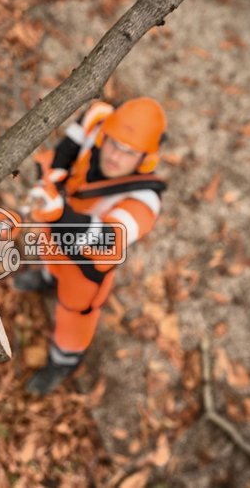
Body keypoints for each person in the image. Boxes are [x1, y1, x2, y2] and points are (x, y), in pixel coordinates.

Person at [14, 97, 168, 395]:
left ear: (144, 159)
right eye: (112, 144)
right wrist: (55, 175)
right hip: (55, 235)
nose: (114, 156)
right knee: (50, 261)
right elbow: (69, 145)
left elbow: (109, 240)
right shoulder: (100, 117)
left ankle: (64, 361)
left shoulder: (145, 201)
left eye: (128, 153)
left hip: (85, 269)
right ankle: (48, 280)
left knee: (75, 316)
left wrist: (59, 212)